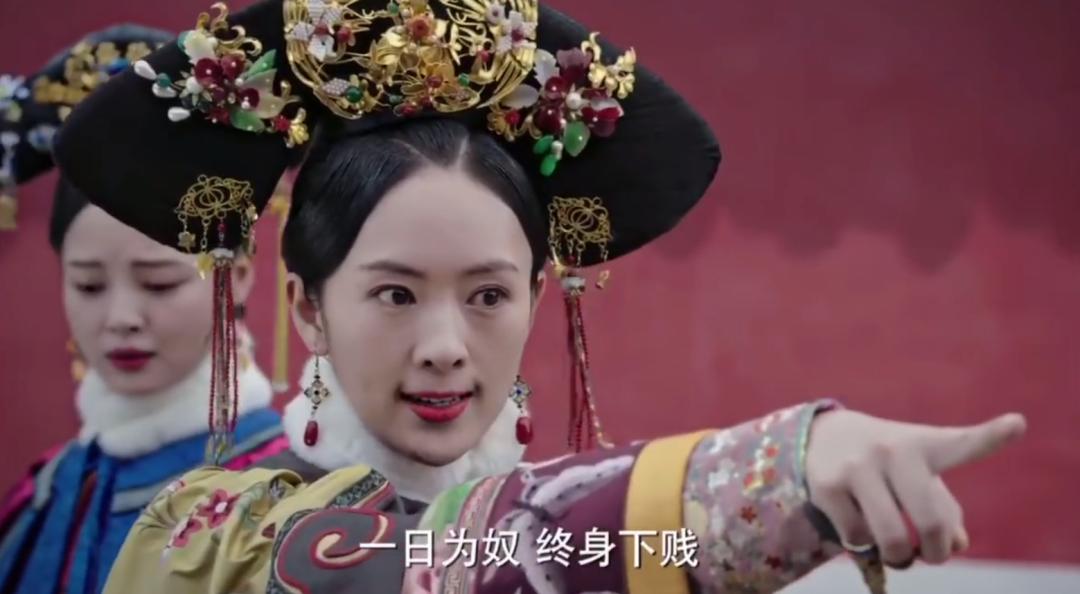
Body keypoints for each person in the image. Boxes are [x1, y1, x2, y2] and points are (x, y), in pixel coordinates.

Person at [53, 1, 1026, 592]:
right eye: (395, 295)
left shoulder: (604, 538)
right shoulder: (211, 535)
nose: (446, 344)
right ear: (308, 306)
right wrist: (786, 468)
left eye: (487, 295)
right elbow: (447, 562)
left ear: (536, 293)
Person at [0, 26, 288, 594]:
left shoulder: (284, 497)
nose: (121, 318)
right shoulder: (44, 494)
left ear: (236, 276)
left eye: (157, 283)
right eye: (88, 286)